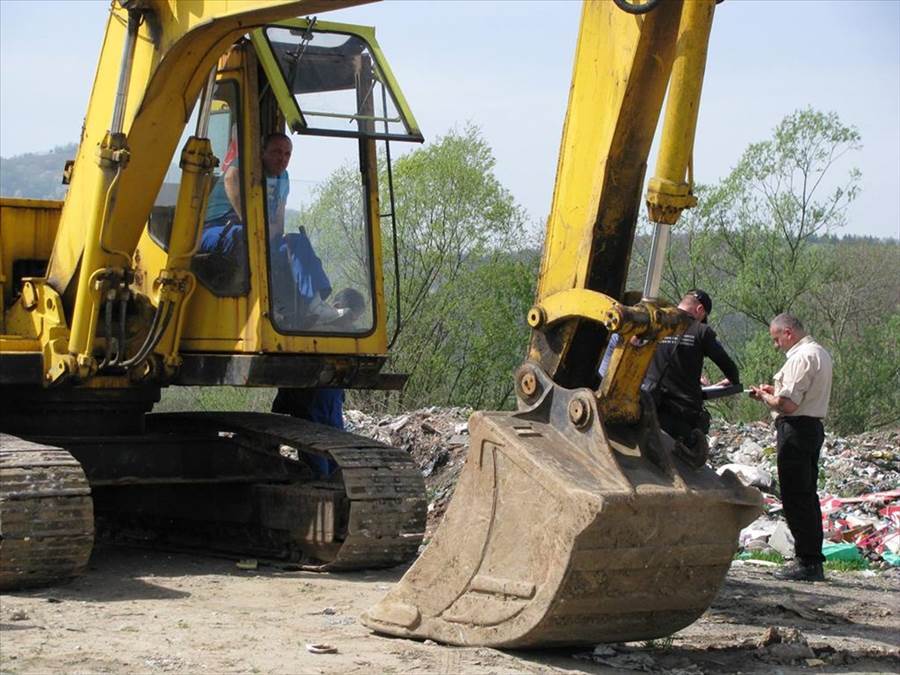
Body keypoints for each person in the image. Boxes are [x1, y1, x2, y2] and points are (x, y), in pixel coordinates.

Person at [750, 313, 833, 582]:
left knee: (796, 496)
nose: (776, 345)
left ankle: (806, 562)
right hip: (812, 428)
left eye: (777, 339)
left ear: (788, 332)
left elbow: (788, 405)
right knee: (808, 495)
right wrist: (773, 391)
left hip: (796, 429)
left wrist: (765, 397)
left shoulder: (801, 357)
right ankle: (811, 558)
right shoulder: (820, 353)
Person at [643, 289, 740, 466]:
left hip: (650, 404)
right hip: (682, 412)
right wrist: (733, 380)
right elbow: (727, 365)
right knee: (680, 466)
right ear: (700, 310)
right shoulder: (701, 331)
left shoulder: (657, 323)